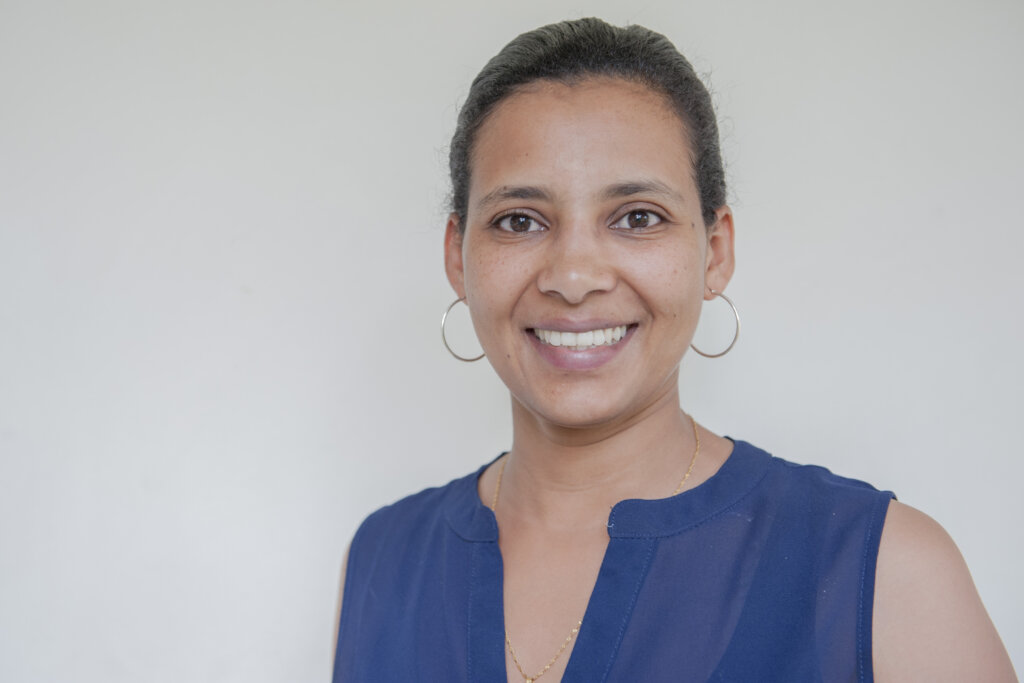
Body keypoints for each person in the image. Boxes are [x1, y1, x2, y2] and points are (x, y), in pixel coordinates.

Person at [332, 18, 1016, 682]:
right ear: (458, 256)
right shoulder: (380, 563)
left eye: (637, 217)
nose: (574, 278)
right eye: (520, 220)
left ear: (714, 251)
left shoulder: (886, 570)